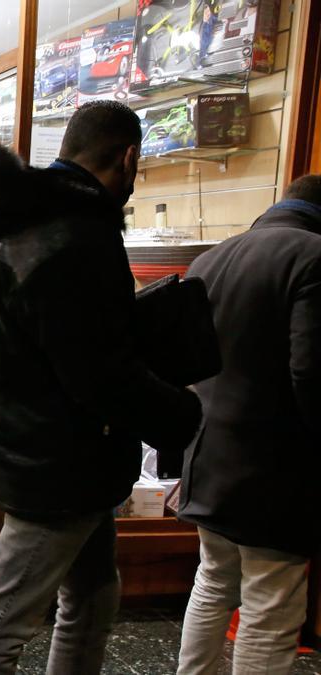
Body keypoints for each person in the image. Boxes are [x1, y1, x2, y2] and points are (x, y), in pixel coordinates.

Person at [0, 101, 202, 674]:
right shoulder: (75, 234)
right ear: (129, 157)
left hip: (48, 449)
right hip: (60, 459)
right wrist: (180, 412)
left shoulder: (23, 221)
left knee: (93, 597)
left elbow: (62, 344)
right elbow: (98, 370)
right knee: (8, 620)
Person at [175, 176, 321, 674]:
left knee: (213, 581)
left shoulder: (213, 256)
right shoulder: (313, 257)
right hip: (275, 467)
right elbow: (310, 372)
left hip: (207, 455)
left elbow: (186, 364)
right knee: (271, 604)